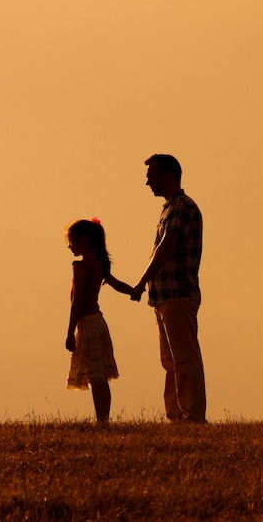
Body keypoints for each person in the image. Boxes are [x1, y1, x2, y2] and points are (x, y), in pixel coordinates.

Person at [133, 154, 206, 424]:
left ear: (169, 175)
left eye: (152, 176)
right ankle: (177, 416)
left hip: (178, 292)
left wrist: (142, 281)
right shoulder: (169, 208)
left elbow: (166, 247)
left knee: (184, 358)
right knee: (170, 360)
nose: (148, 182)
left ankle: (192, 416)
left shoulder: (181, 207)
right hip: (165, 295)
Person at [65, 218, 137, 424]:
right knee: (100, 376)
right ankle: (103, 419)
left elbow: (77, 302)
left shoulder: (81, 267)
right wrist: (134, 291)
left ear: (84, 240)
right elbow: (117, 284)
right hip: (99, 322)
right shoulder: (99, 264)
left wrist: (70, 332)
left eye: (72, 240)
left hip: (88, 324)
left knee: (96, 376)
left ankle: (102, 421)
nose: (70, 246)